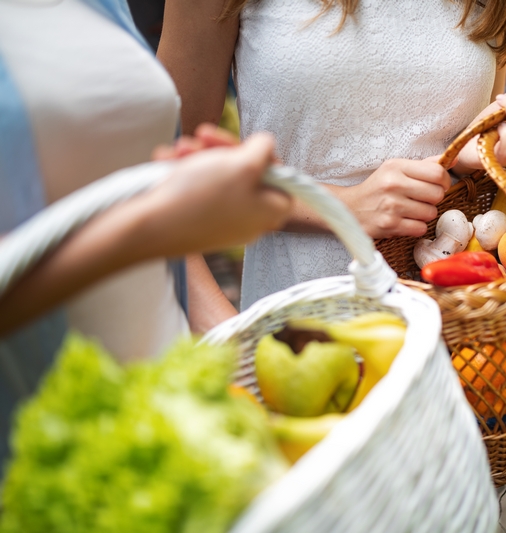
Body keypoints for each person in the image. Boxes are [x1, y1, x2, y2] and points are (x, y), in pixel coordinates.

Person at [0, 0, 290, 473]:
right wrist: (156, 225)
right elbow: (150, 223)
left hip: (180, 425)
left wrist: (235, 347)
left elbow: (127, 174)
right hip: (57, 456)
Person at [157, 0, 506, 326]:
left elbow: (458, 142)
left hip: (477, 341)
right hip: (306, 338)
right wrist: (229, 334)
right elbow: (161, 173)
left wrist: (485, 150)